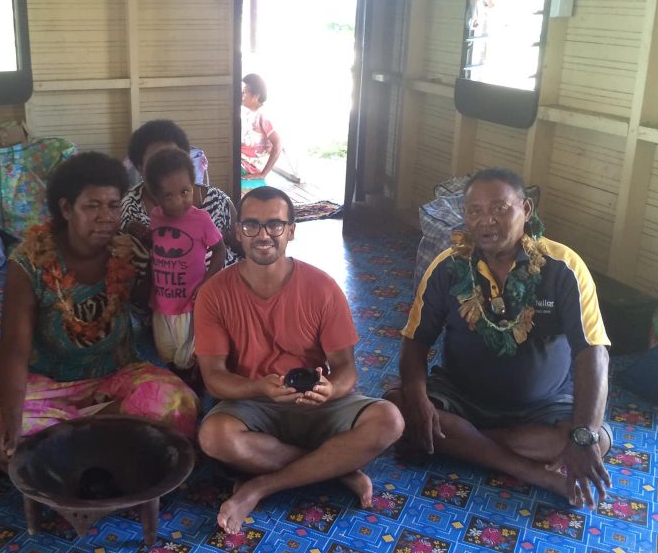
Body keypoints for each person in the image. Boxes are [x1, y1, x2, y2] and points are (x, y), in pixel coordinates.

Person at [0, 151, 199, 471]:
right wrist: (13, 425)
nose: (105, 217)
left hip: (117, 376)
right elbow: (14, 350)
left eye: (113, 206)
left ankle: (63, 448)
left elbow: (156, 306)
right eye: (92, 206)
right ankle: (109, 441)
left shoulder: (128, 252)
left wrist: (152, 263)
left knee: (178, 402)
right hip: (50, 386)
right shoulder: (28, 263)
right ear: (67, 208)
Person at [392, 167, 613, 508]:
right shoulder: (447, 266)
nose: (486, 221)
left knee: (593, 438)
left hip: (542, 406)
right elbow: (415, 341)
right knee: (396, 408)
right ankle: (534, 472)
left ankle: (459, 444)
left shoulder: (564, 267)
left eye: (499, 208)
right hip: (462, 397)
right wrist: (418, 400)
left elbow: (593, 354)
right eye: (474, 211)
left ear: (526, 209)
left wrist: (583, 437)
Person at [194, 186, 405, 533]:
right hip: (253, 403)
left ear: (291, 230)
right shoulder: (214, 293)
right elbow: (214, 377)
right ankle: (338, 469)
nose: (263, 235)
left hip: (315, 402)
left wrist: (330, 391)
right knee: (214, 437)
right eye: (252, 225)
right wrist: (259, 388)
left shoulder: (322, 287)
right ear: (237, 232)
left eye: (275, 225)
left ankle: (262, 485)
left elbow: (346, 368)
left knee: (390, 420)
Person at [144, 146, 226, 375]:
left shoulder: (201, 219)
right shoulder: (156, 217)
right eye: (168, 195)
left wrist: (206, 284)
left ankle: (198, 398)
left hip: (190, 305)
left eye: (185, 191)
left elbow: (220, 250)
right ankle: (179, 396)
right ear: (155, 196)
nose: (179, 201)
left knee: (193, 358)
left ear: (193, 186)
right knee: (168, 355)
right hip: (161, 304)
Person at [120, 119, 241, 265]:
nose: (167, 168)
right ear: (140, 168)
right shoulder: (128, 208)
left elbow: (242, 249)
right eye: (156, 162)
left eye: (173, 157)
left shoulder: (218, 202)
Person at [240, 73, 283, 193]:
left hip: (249, 169)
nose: (241, 95)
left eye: (245, 91)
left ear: (256, 95)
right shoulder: (248, 113)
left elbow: (278, 144)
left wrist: (263, 173)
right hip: (241, 164)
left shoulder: (264, 115)